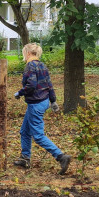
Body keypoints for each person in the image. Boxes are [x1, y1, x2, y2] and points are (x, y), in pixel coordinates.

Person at [13, 43, 72, 174]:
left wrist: (20, 93)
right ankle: (25, 158)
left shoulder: (30, 66)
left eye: (24, 53)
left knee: (38, 136)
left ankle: (61, 156)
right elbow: (49, 85)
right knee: (25, 131)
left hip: (36, 103)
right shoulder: (42, 65)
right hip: (44, 101)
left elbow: (31, 85)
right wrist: (53, 101)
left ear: (27, 53)